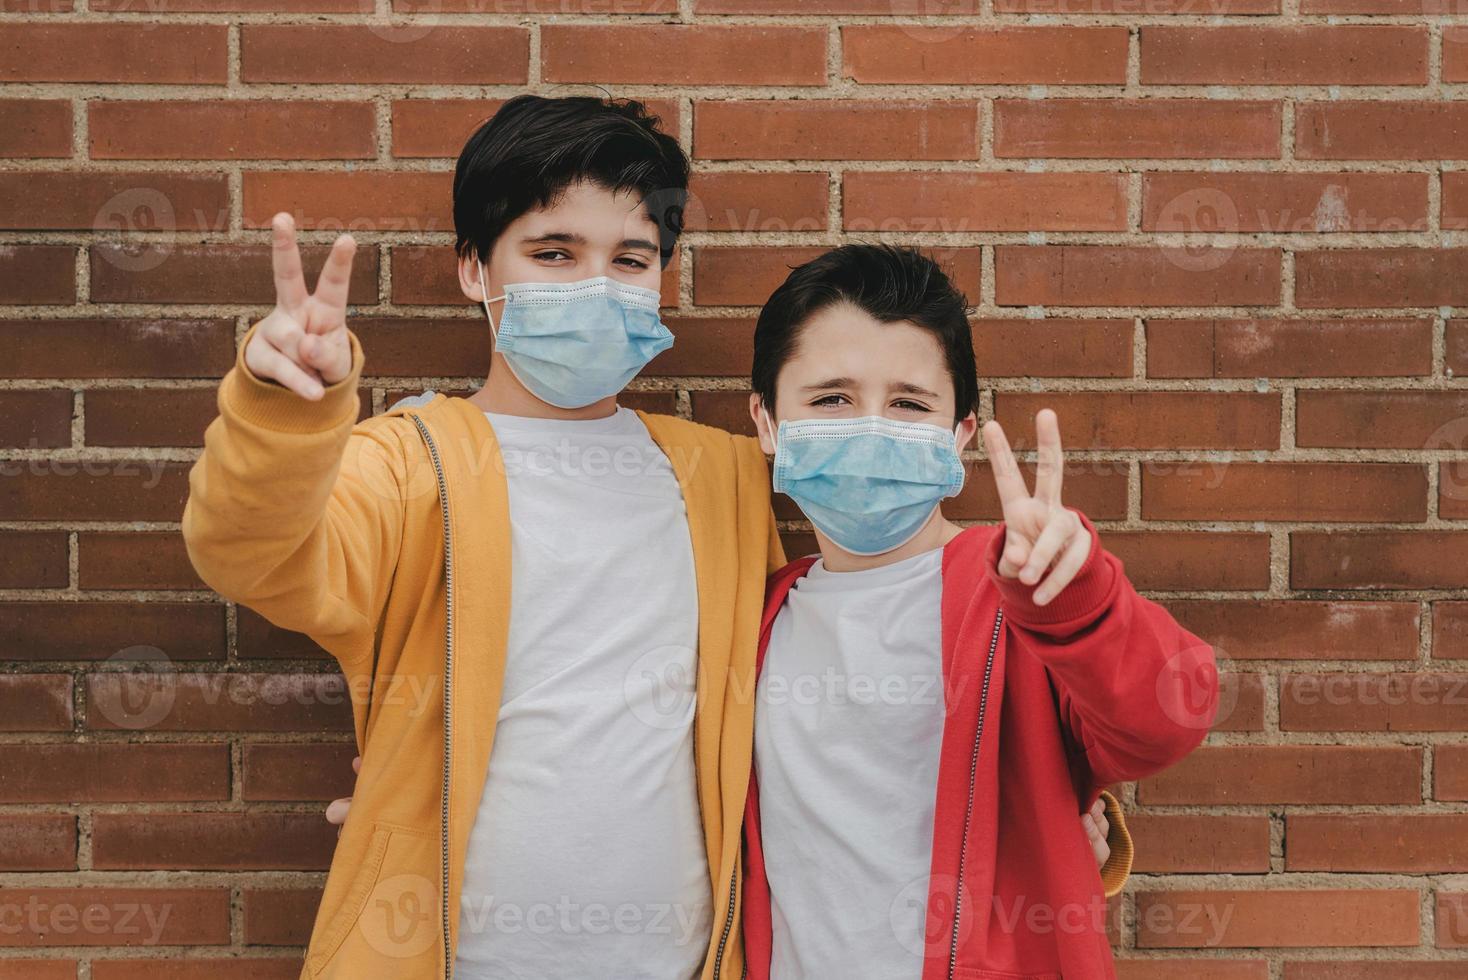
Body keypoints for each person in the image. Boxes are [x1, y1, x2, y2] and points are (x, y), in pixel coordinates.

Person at [184, 94, 1130, 980]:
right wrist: (282, 411)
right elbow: (256, 552)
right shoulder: (402, 463)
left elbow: (815, 709)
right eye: (553, 253)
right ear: (476, 267)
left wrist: (1048, 814)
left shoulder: (719, 477)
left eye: (629, 259)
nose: (596, 284)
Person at [739, 245, 1217, 979]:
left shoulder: (1019, 593)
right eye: (831, 398)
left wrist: (1078, 602)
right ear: (769, 424)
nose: (870, 427)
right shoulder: (756, 615)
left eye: (909, 403)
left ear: (958, 434)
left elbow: (1167, 718)